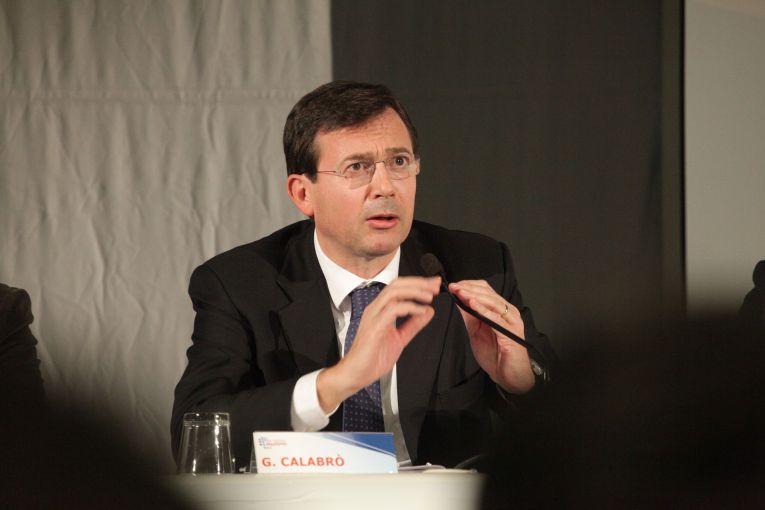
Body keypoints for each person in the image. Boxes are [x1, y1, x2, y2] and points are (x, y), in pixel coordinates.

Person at [171, 81, 555, 470]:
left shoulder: (475, 265)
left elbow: (569, 419)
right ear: (303, 194)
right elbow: (196, 433)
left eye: (399, 162)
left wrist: (522, 383)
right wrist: (337, 382)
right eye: (357, 167)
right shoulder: (240, 283)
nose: (385, 187)